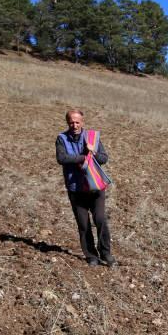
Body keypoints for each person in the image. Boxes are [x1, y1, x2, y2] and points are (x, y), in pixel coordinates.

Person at [55, 109, 117, 267]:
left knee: (100, 219)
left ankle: (106, 252)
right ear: (67, 122)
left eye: (77, 122)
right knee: (83, 224)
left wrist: (93, 152)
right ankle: (91, 255)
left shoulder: (92, 137)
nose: (74, 125)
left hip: (95, 187)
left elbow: (104, 158)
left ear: (82, 122)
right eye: (71, 122)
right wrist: (84, 157)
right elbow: (62, 158)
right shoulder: (61, 138)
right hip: (75, 188)